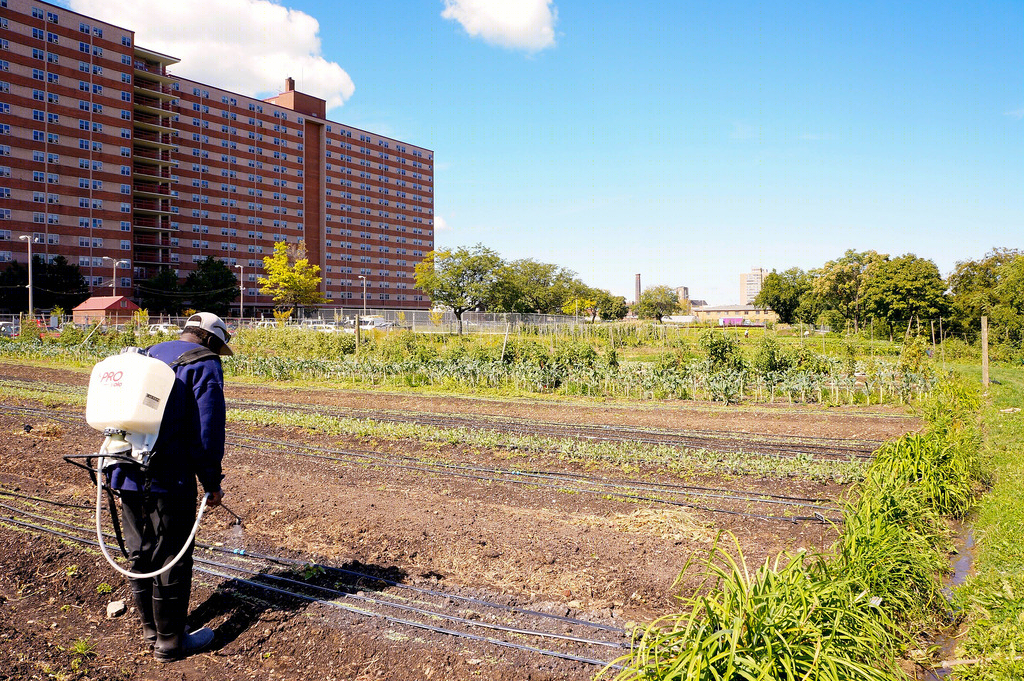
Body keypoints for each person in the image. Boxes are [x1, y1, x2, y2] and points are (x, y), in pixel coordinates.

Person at [107, 312, 231, 662]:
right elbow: (207, 432)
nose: (218, 355)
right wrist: (211, 481)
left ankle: (151, 628)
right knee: (172, 555)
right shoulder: (203, 364)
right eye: (219, 348)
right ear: (210, 341)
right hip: (168, 476)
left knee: (139, 547)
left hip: (124, 469)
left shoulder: (146, 353)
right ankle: (171, 642)